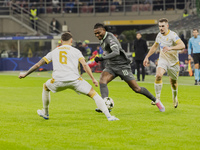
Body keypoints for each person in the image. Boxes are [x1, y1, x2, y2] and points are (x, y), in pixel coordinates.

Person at [18, 32, 119, 121]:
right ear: (71, 41)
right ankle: (109, 116)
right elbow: (84, 65)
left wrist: (25, 74)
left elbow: (37, 65)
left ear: (61, 41)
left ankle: (45, 112)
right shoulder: (76, 51)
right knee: (94, 94)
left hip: (58, 81)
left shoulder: (54, 52)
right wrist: (93, 79)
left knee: (45, 86)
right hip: (75, 81)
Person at [93, 23, 165, 113]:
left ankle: (157, 101)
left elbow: (116, 52)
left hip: (122, 66)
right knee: (102, 81)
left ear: (104, 30)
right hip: (111, 66)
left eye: (98, 32)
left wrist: (102, 58)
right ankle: (104, 106)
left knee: (137, 89)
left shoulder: (110, 39)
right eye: (95, 33)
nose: (97, 35)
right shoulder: (102, 38)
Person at [143, 18, 185, 108]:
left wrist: (170, 48)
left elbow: (182, 45)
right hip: (163, 60)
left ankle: (175, 97)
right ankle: (157, 99)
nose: (161, 28)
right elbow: (154, 46)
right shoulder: (159, 35)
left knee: (173, 83)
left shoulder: (173, 35)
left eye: (163, 26)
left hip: (173, 62)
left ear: (167, 26)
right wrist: (147, 57)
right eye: (159, 26)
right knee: (158, 75)